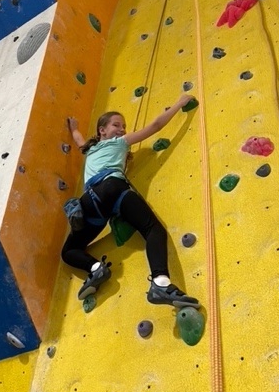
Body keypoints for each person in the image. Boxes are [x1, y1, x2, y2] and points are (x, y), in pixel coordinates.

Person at [61, 94, 200, 309]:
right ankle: (160, 283)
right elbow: (155, 126)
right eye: (117, 125)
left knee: (69, 251)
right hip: (113, 187)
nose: (122, 130)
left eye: (124, 127)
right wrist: (179, 103)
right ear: (102, 130)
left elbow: (79, 139)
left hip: (92, 202)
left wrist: (73, 127)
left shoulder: (90, 150)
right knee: (153, 229)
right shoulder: (119, 143)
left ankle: (96, 268)